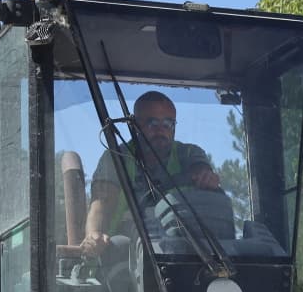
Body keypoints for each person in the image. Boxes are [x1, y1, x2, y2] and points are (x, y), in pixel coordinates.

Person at [80, 90, 223, 256]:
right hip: (122, 255)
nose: (161, 130)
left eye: (168, 123)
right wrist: (94, 234)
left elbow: (200, 169)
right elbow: (101, 203)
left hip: (186, 253)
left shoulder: (189, 153)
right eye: (152, 123)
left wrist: (205, 177)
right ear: (135, 126)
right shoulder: (116, 158)